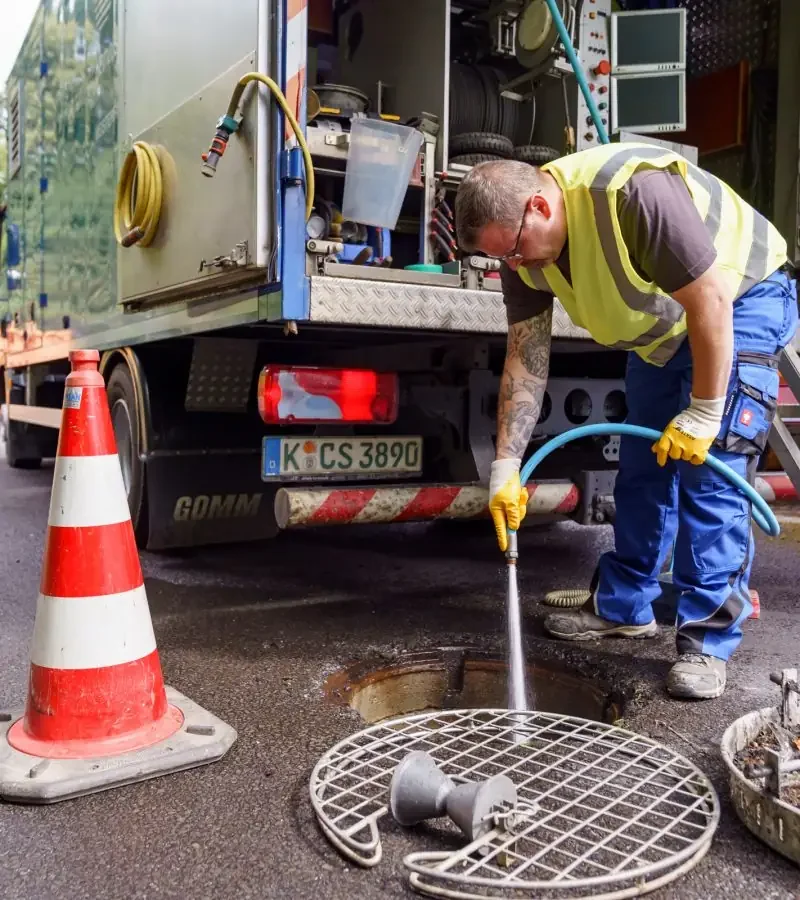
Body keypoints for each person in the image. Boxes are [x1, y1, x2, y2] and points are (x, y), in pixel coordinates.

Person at [455, 141, 798, 700]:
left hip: (741, 299)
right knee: (642, 467)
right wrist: (507, 466)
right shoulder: (519, 250)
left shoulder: (629, 193)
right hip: (664, 332)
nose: (514, 266)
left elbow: (710, 298)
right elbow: (526, 353)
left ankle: (706, 643)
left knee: (708, 473)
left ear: (539, 207)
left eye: (515, 250)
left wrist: (706, 412)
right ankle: (624, 607)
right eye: (503, 260)